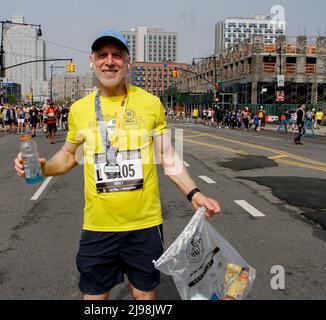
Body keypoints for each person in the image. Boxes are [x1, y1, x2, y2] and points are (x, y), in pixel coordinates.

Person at [14, 31, 221, 301]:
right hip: (98, 226)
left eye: (116, 55)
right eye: (102, 55)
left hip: (145, 226)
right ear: (92, 61)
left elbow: (167, 155)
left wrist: (194, 193)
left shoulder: (150, 103)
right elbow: (67, 156)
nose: (109, 61)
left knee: (144, 296)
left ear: (127, 61)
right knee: (94, 297)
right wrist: (42, 168)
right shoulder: (79, 109)